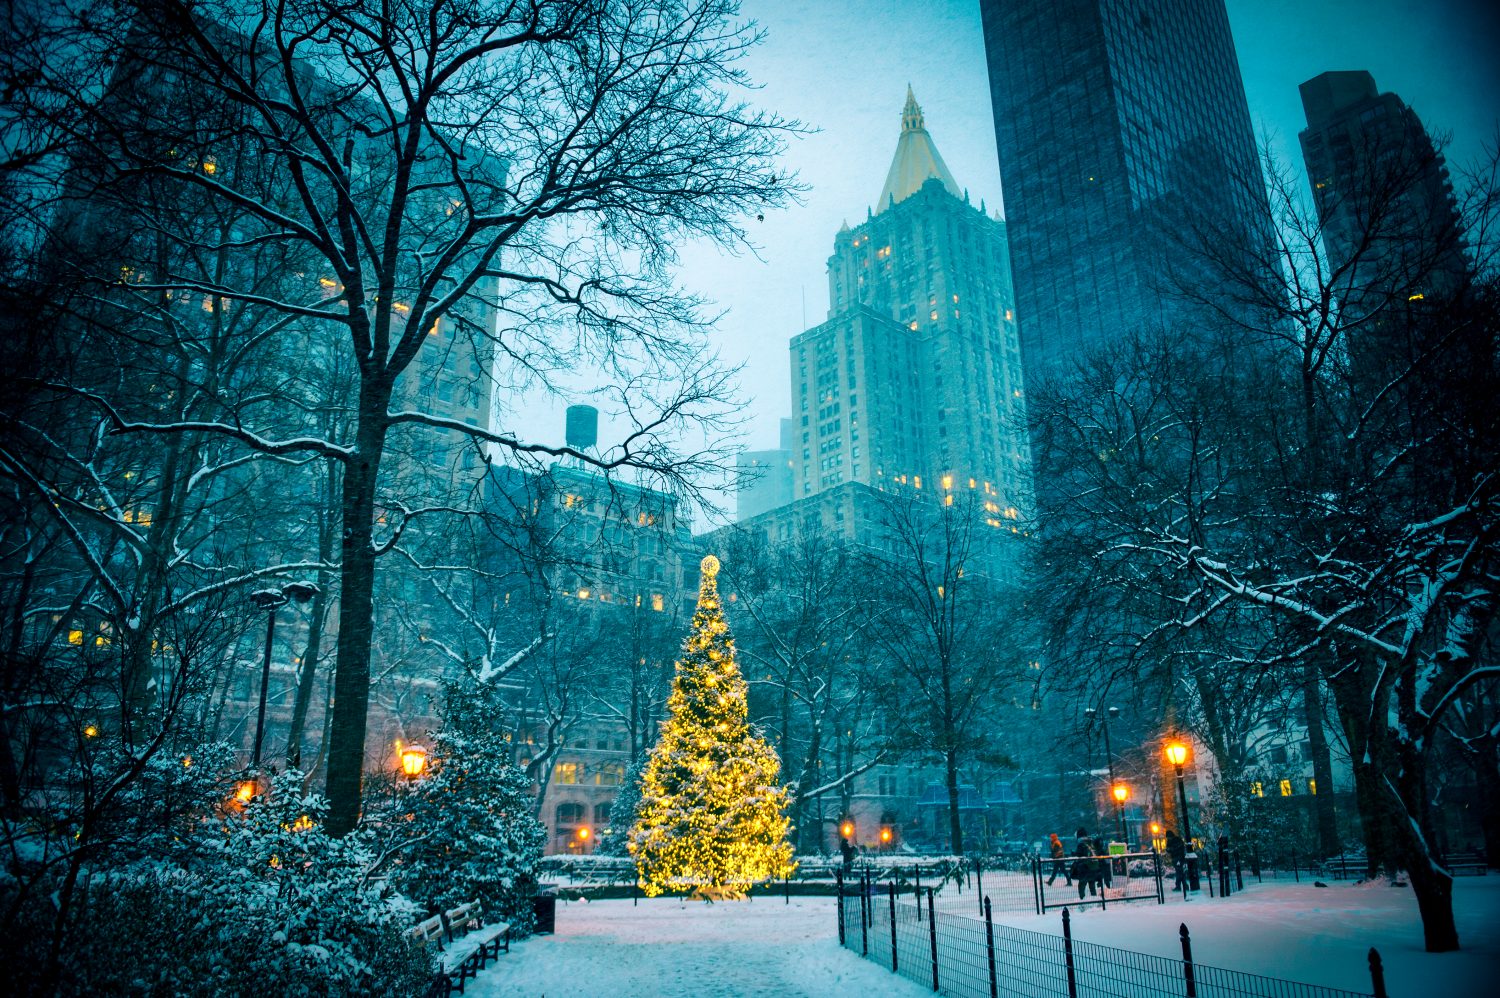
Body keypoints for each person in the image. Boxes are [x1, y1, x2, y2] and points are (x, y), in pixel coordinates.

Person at [1073, 827, 1099, 899]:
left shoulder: (1081, 843)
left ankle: (1082, 900)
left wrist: (1073, 854)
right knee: (1092, 885)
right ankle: (1094, 899)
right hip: (1094, 866)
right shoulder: (1090, 842)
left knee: (1081, 885)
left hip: (1086, 867)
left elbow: (1080, 854)